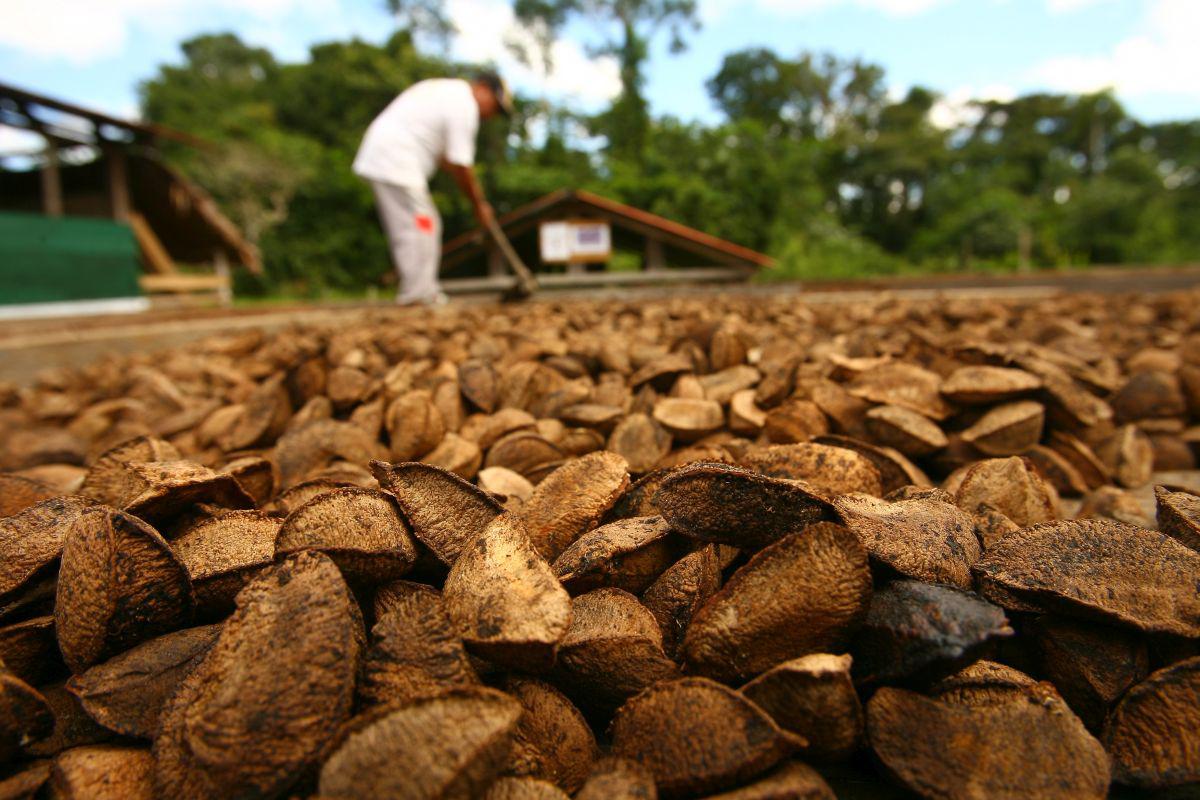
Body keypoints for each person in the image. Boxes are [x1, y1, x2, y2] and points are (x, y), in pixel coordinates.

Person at [353, 71, 513, 305]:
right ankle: (418, 294)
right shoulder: (464, 105)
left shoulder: (448, 93)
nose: (492, 114)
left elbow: (450, 162)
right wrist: (479, 205)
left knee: (423, 225)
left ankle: (421, 291)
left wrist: (474, 196)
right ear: (482, 88)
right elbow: (461, 164)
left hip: (389, 158)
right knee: (421, 226)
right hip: (395, 161)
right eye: (495, 106)